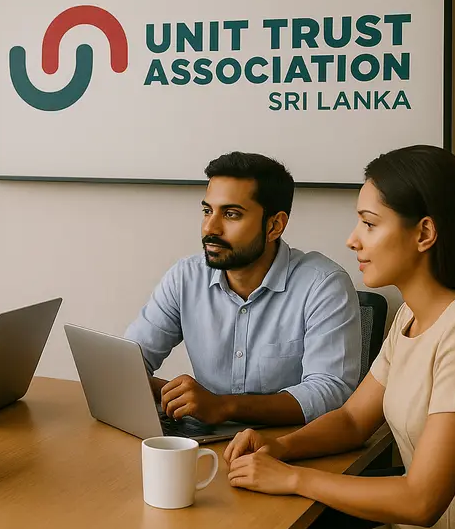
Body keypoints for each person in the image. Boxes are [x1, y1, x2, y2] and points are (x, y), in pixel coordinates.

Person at [225, 145, 455, 529]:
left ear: (424, 233)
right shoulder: (411, 314)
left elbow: (421, 500)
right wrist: (280, 447)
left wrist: (292, 478)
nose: (352, 240)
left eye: (369, 224)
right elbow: (354, 420)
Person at [125, 152, 362, 426]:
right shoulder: (185, 277)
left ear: (275, 225)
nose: (210, 227)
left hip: (287, 447)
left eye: (231, 214)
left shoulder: (323, 284)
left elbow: (330, 392)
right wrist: (175, 395)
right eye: (207, 211)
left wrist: (223, 406)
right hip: (205, 440)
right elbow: (131, 362)